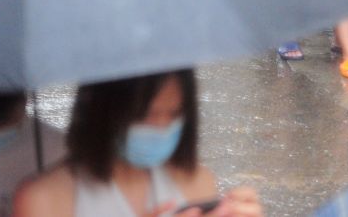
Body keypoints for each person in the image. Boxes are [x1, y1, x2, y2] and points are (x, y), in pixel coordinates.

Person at [13, 71, 262, 217]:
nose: (162, 128)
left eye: (174, 114)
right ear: (101, 109)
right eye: (147, 115)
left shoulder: (196, 182)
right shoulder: (44, 200)